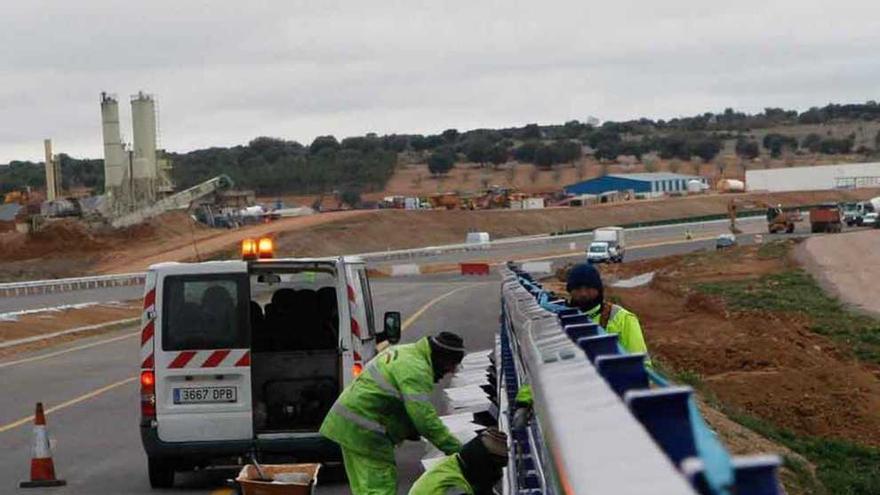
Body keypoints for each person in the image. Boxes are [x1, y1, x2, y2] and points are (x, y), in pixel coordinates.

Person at [320, 332, 466, 495]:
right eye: (450, 366)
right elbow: (424, 418)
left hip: (349, 425)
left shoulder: (406, 352)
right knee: (380, 488)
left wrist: (407, 428)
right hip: (366, 431)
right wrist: (458, 450)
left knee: (365, 490)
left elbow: (396, 401)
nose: (450, 372)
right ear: (441, 358)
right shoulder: (416, 369)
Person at [566, 263, 651, 361]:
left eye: (589, 288)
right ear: (570, 290)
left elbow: (642, 364)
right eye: (577, 288)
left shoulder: (623, 318)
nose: (583, 294)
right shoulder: (561, 319)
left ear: (598, 289)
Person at [409, 427, 509, 495]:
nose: (498, 472)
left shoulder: (454, 463)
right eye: (495, 467)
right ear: (483, 464)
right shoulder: (453, 486)